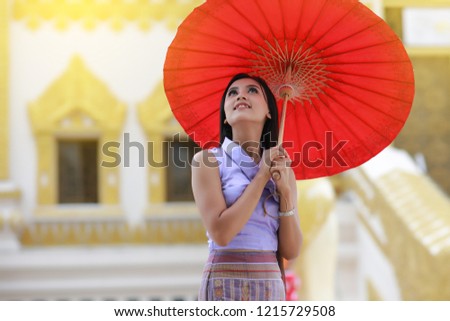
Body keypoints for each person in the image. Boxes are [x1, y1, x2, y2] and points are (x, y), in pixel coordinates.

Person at [192, 73, 302, 301]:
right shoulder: (207, 161)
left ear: (269, 111)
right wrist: (262, 175)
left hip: (270, 283)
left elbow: (291, 251)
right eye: (233, 92)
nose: (241, 95)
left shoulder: (282, 170)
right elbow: (221, 234)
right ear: (225, 115)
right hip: (224, 281)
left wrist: (285, 193)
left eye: (252, 90)